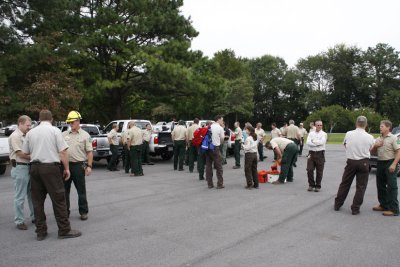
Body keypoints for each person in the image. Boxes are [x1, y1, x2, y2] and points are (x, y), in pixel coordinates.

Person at [22, 109, 81, 241]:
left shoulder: (31, 132)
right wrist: (67, 168)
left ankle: (41, 232)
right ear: (51, 119)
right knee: (59, 199)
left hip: (35, 168)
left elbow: (25, 152)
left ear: (39, 119)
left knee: (37, 201)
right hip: (51, 168)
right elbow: (63, 152)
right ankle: (64, 230)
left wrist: (38, 154)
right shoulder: (55, 131)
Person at [334, 116, 375, 215]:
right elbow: (371, 149)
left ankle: (338, 204)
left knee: (345, 183)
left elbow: (345, 144)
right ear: (366, 124)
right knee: (361, 186)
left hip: (351, 161)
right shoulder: (370, 137)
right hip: (363, 162)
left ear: (356, 123)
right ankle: (355, 208)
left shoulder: (349, 133)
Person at [62, 111, 93, 220]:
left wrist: (89, 166)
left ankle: (83, 212)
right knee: (64, 191)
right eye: (69, 122)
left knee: (81, 190)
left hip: (78, 166)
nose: (70, 124)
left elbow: (89, 152)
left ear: (78, 121)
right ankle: (65, 212)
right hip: (65, 166)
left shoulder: (85, 135)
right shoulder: (64, 134)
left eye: (72, 122)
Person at [8, 115, 35, 230]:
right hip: (20, 167)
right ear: (20, 124)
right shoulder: (15, 136)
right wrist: (35, 156)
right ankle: (19, 220)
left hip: (28, 167)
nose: (29, 127)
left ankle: (35, 217)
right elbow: (20, 154)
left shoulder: (27, 135)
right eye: (27, 125)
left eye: (30, 125)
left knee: (31, 195)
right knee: (20, 196)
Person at [371, 120, 400, 216]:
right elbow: (373, 152)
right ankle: (383, 205)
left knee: (392, 186)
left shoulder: (394, 138)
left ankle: (394, 209)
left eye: (382, 126)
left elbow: (398, 152)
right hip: (380, 162)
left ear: (388, 127)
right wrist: (376, 145)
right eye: (380, 126)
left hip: (390, 162)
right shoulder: (378, 138)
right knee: (380, 185)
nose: (380, 128)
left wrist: (394, 164)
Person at [306, 120, 327, 192]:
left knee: (319, 171)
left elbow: (322, 142)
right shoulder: (311, 133)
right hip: (311, 153)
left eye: (321, 125)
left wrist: (313, 142)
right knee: (309, 169)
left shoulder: (324, 134)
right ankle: (311, 185)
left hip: (320, 153)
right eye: (318, 125)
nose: (319, 126)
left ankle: (318, 186)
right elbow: (308, 142)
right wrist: (316, 143)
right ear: (315, 125)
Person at [206, 115, 225, 189]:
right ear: (218, 119)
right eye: (222, 120)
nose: (222, 121)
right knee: (219, 166)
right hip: (215, 148)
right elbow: (222, 139)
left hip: (208, 148)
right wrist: (219, 143)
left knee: (208, 166)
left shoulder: (209, 127)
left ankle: (210, 184)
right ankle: (220, 184)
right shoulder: (219, 128)